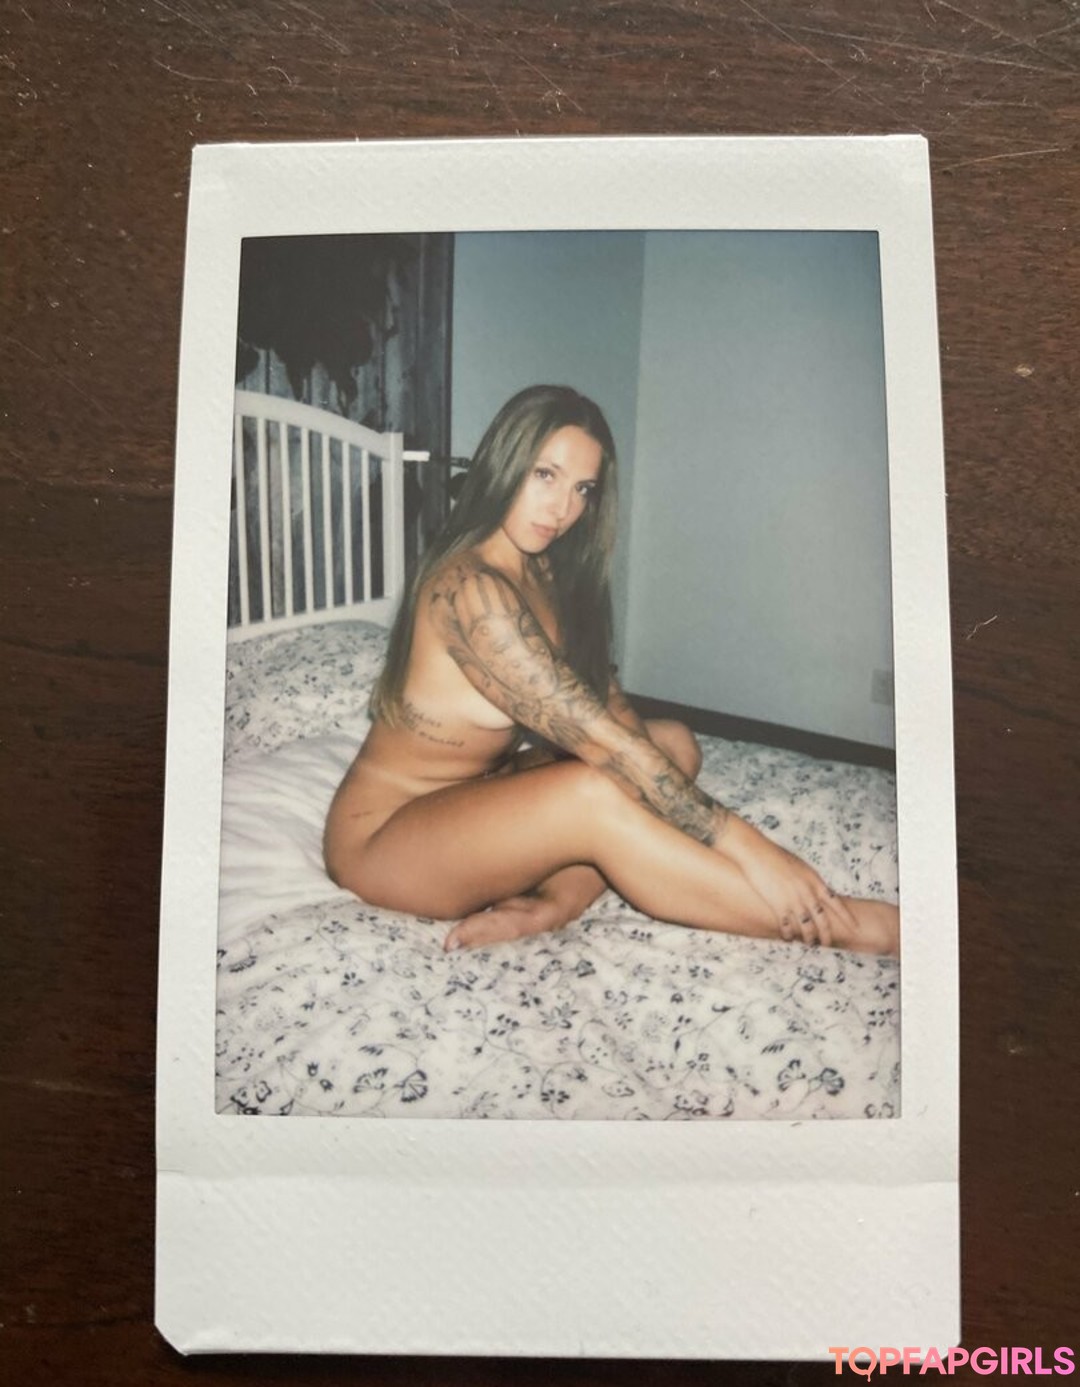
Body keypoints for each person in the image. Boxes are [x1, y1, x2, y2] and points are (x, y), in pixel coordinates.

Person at [324, 385, 899, 956]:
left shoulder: (540, 570)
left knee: (671, 742)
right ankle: (847, 926)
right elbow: (600, 742)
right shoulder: (470, 593)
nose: (562, 509)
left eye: (582, 489)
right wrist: (756, 852)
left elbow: (607, 703)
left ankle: (553, 904)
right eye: (545, 475)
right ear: (505, 462)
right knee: (594, 791)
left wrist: (674, 797)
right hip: (384, 841)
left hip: (473, 796)